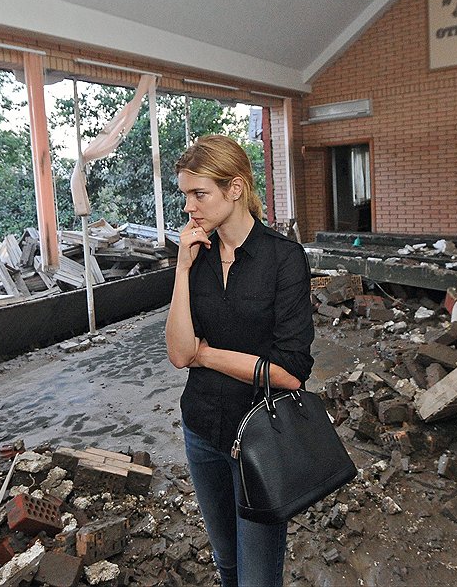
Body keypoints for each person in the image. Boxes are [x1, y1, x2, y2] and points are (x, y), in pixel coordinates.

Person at [165, 134, 314, 587]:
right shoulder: (198, 257)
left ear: (235, 189)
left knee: (257, 578)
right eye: (185, 195)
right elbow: (177, 353)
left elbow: (289, 372)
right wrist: (182, 269)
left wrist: (206, 354)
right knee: (227, 566)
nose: (189, 207)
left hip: (261, 440)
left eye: (199, 194)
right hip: (202, 432)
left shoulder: (283, 259)